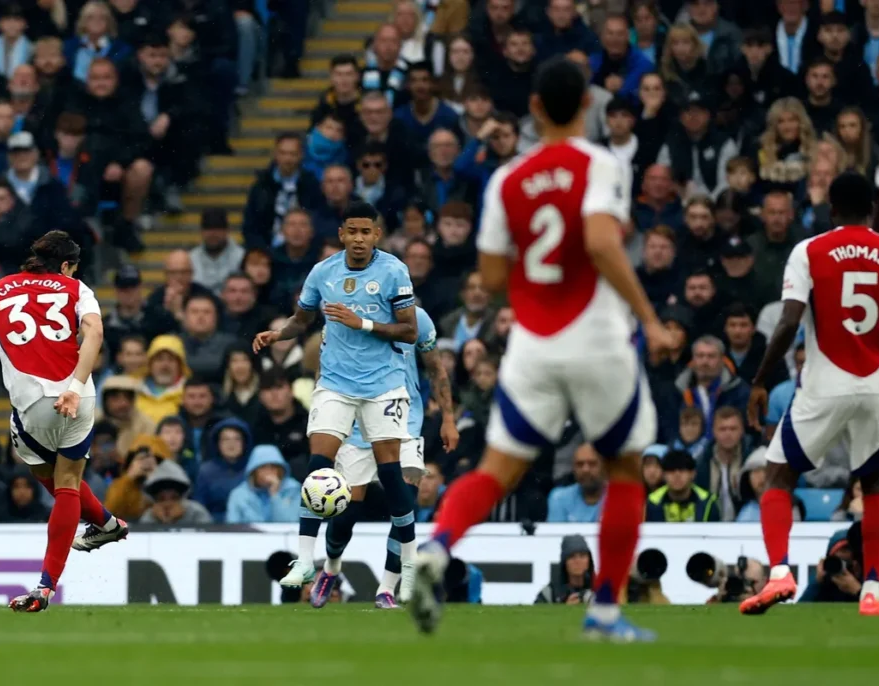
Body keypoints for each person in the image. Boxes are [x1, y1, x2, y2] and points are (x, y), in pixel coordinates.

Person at [408, 57, 675, 642]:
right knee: (625, 469)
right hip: (599, 337)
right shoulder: (601, 163)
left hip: (532, 342)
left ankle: (437, 546)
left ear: (533, 108)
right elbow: (602, 241)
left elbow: (492, 276)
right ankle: (604, 612)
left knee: (496, 469)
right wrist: (651, 320)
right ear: (586, 105)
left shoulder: (508, 180)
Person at [741, 172, 879, 618]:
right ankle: (872, 588)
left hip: (823, 384)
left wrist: (759, 380)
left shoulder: (809, 251)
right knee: (874, 484)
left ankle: (779, 572)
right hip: (876, 387)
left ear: (831, 209)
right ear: (872, 208)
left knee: (778, 477)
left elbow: (789, 322)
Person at [253, 199, 423, 610]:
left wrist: (360, 322)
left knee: (392, 476)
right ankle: (306, 560)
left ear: (376, 235)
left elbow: (410, 331)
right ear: (342, 234)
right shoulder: (324, 272)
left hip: (383, 387)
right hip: (335, 384)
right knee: (317, 469)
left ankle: (412, 564)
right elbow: (302, 318)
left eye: (367, 232)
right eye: (353, 231)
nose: (360, 239)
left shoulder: (394, 271)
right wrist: (279, 334)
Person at [0, 231, 127, 613]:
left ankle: (45, 588)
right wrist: (75, 385)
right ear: (66, 265)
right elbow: (96, 333)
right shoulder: (75, 288)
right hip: (80, 397)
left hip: (32, 406)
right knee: (68, 482)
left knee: (55, 483)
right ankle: (107, 526)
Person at [278, 306, 457, 608]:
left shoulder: (417, 318)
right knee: (346, 513)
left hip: (403, 423)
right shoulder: (345, 315)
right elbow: (324, 367)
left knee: (404, 506)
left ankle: (386, 588)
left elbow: (435, 368)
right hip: (356, 428)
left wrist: (448, 418)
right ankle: (331, 567)